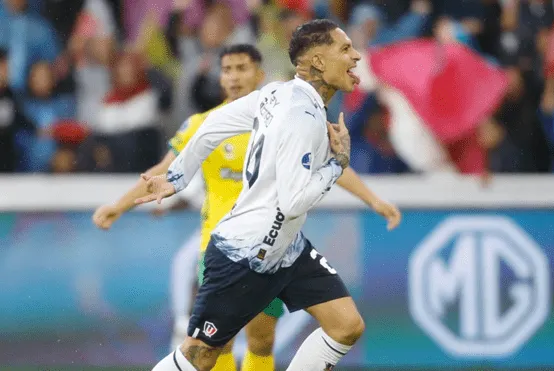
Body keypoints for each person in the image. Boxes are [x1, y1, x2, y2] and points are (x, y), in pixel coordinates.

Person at [95, 40, 400, 371]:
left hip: (282, 245)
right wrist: (119, 205)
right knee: (211, 348)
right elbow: (164, 170)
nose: (234, 77)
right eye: (227, 70)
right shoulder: (208, 122)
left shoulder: (281, 110)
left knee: (264, 338)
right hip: (232, 247)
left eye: (242, 68)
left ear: (259, 73)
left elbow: (329, 159)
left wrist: (374, 199)